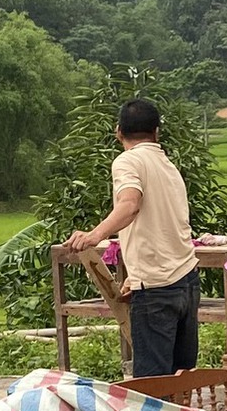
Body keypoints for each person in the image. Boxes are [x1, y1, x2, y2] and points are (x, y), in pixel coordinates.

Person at [60, 97, 198, 379]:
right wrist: (134, 278)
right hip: (186, 281)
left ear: (118, 132)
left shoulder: (127, 162)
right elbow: (161, 229)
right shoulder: (168, 166)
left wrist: (94, 235)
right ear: (157, 132)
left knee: (152, 387)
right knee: (182, 380)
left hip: (157, 292)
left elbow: (130, 204)